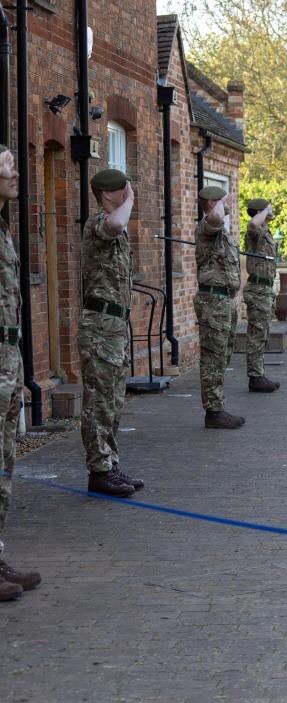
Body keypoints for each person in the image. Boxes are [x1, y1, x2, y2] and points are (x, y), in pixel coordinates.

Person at [80, 168, 144, 497]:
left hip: (116, 326)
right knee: (99, 401)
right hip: (99, 327)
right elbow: (116, 223)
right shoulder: (97, 224)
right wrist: (130, 201)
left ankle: (111, 464)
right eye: (124, 189)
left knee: (115, 401)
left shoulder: (117, 233)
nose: (130, 193)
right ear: (109, 195)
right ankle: (98, 471)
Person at [0, 146, 41, 601]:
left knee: (5, 458)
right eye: (8, 167)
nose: (16, 174)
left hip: (8, 358)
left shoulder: (4, 226)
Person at [194, 185, 246, 428]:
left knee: (222, 356)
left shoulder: (222, 235)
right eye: (224, 201)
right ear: (212, 204)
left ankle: (218, 406)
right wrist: (219, 205)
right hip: (212, 302)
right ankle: (214, 412)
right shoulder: (207, 229)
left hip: (224, 301)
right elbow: (215, 217)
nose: (229, 205)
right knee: (213, 358)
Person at [242, 199, 280, 392]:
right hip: (258, 289)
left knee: (262, 332)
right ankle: (255, 377)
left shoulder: (265, 231)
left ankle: (259, 374)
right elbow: (252, 223)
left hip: (264, 289)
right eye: (269, 207)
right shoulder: (255, 231)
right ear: (261, 210)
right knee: (257, 334)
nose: (273, 210)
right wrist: (265, 211)